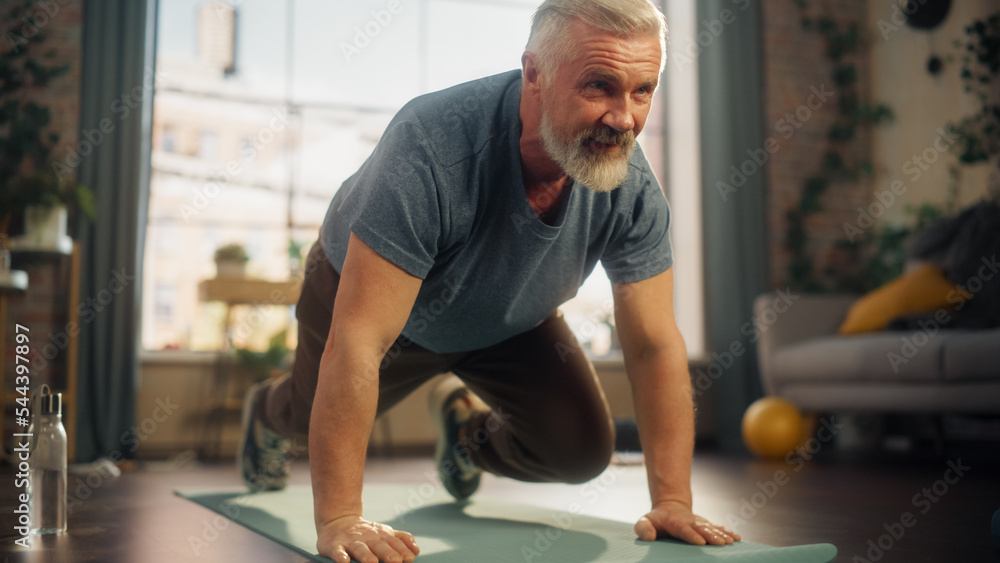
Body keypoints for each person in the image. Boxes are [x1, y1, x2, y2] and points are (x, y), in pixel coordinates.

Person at [238, 1, 740, 561]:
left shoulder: (631, 189)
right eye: (599, 86)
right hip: (382, 309)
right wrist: (340, 519)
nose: (624, 118)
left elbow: (652, 343)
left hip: (508, 316)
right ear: (535, 75)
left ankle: (463, 430)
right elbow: (358, 339)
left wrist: (672, 498)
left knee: (579, 454)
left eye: (643, 90)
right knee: (305, 419)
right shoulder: (432, 146)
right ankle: (266, 409)